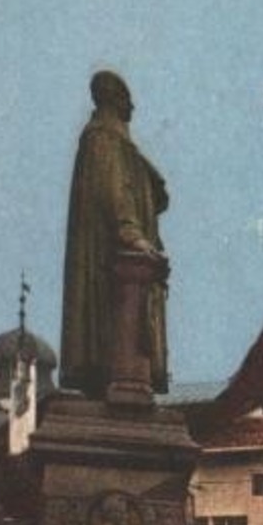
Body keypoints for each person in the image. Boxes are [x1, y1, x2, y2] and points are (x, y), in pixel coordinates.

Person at [62, 70, 171, 398]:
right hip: (114, 263)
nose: (133, 107)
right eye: (127, 99)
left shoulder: (111, 141)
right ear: (114, 101)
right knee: (113, 323)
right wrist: (133, 234)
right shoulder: (104, 139)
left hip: (111, 259)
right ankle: (114, 375)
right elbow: (116, 193)